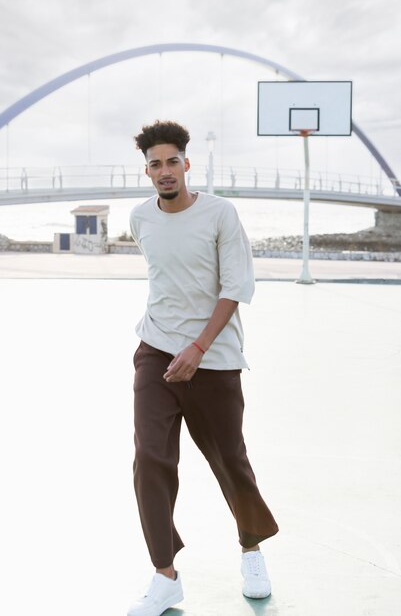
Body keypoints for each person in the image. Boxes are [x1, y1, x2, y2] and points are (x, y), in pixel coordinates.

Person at [127, 120, 278, 616]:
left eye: (173, 161)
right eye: (155, 163)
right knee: (150, 457)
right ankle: (164, 573)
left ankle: (251, 551)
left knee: (229, 459)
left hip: (213, 359)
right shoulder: (140, 218)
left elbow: (234, 286)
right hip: (155, 352)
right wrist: (172, 348)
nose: (165, 170)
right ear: (146, 171)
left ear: (187, 164)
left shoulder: (220, 214)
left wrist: (198, 348)